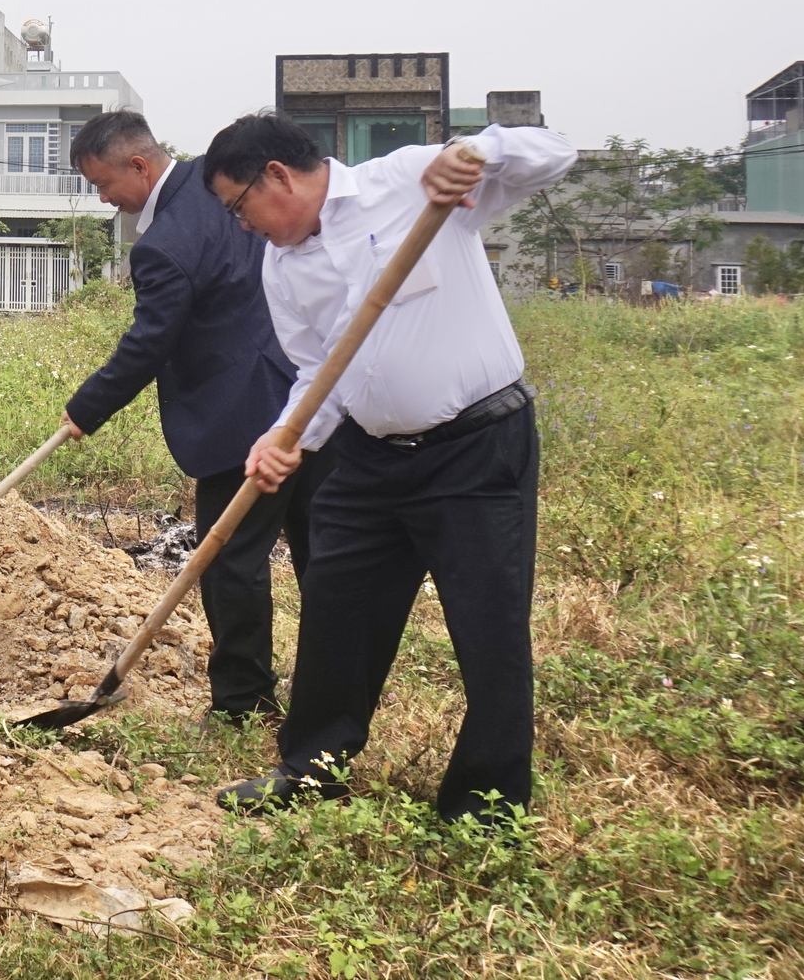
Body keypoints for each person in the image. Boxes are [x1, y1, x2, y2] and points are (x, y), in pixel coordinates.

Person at [203, 111, 575, 822]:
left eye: (238, 206)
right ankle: (312, 766)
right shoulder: (281, 265)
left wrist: (476, 151)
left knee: (488, 627)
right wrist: (286, 436)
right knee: (338, 611)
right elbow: (317, 370)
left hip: (475, 447)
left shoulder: (407, 181)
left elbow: (555, 153)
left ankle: (485, 808)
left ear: (275, 175)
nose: (240, 225)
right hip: (370, 459)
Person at [59, 110, 331, 726]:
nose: (105, 200)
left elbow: (149, 342)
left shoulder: (165, 241)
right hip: (309, 399)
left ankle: (243, 702)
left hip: (243, 423)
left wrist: (86, 408)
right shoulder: (224, 191)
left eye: (104, 185)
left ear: (139, 165)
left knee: (230, 562)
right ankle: (327, 696)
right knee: (323, 559)